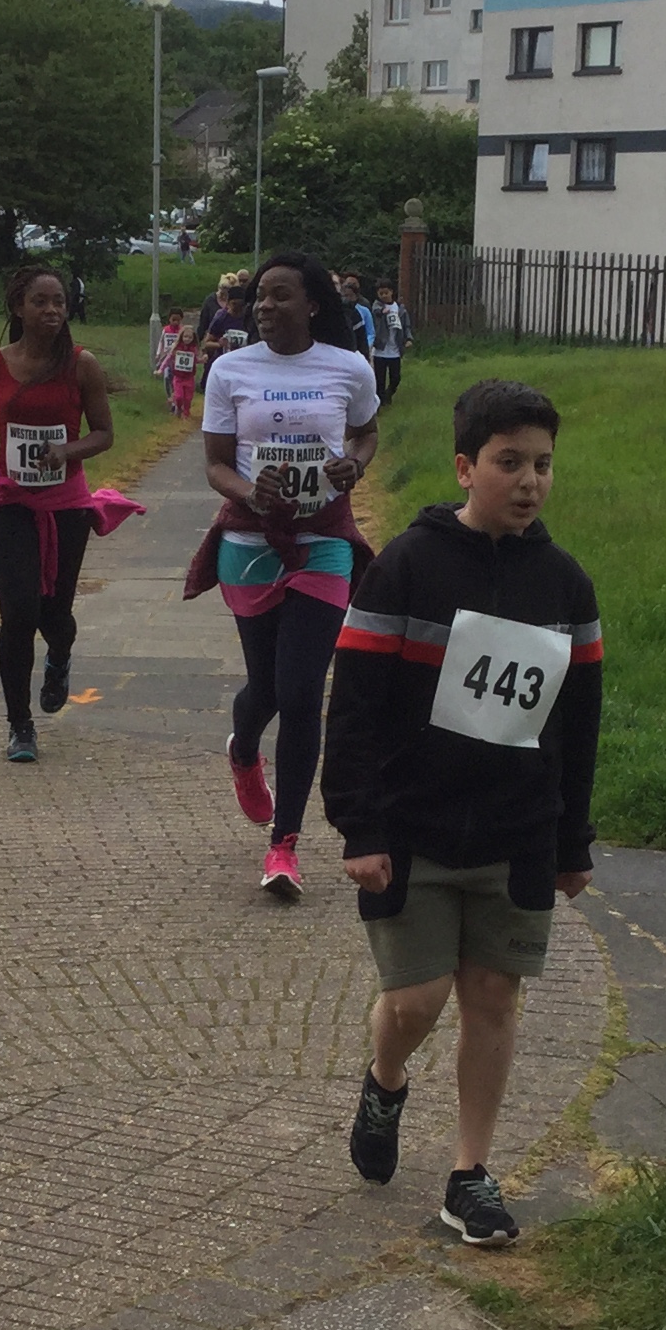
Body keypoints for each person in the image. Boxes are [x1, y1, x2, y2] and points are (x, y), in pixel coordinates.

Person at [321, 378, 601, 1248]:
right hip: (413, 829)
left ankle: (470, 1175)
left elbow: (579, 725)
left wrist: (572, 840)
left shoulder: (565, 586)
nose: (529, 482)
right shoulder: (408, 567)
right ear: (464, 467)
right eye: (509, 462)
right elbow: (355, 705)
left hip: (517, 832)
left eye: (543, 465)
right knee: (417, 1000)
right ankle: (386, 1078)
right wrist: (360, 826)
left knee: (492, 997)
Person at [187, 251, 381, 902]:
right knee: (266, 689)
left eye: (279, 296)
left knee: (300, 693)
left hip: (323, 539)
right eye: (259, 297)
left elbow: (366, 434)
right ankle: (244, 749)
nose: (264, 307)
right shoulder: (231, 369)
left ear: (313, 305)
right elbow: (215, 464)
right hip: (250, 542)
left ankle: (285, 844)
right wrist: (252, 490)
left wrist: (354, 464)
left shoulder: (348, 367)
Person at [0, 266, 142, 761]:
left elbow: (104, 433)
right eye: (40, 301)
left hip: (65, 507)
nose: (52, 310)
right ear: (18, 307)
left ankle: (59, 655)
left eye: (59, 301)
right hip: (11, 503)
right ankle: (20, 725)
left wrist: (66, 452)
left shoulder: (81, 365)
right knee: (18, 613)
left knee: (54, 615)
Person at [367, 282, 408, 407]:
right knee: (379, 379)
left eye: (386, 293)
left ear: (391, 292)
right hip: (380, 350)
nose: (384, 295)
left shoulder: (400, 308)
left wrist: (408, 339)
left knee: (396, 378)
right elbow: (376, 312)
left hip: (395, 350)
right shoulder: (377, 306)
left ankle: (388, 394)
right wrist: (382, 311)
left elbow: (406, 325)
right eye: (381, 293)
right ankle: (379, 402)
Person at [158, 306, 197, 417]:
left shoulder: (183, 331)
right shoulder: (166, 330)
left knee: (181, 388)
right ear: (169, 319)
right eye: (173, 319)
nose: (175, 322)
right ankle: (171, 397)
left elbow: (194, 357)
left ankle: (177, 402)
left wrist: (201, 359)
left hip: (182, 369)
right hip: (169, 359)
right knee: (167, 377)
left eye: (178, 320)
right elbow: (161, 342)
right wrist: (159, 354)